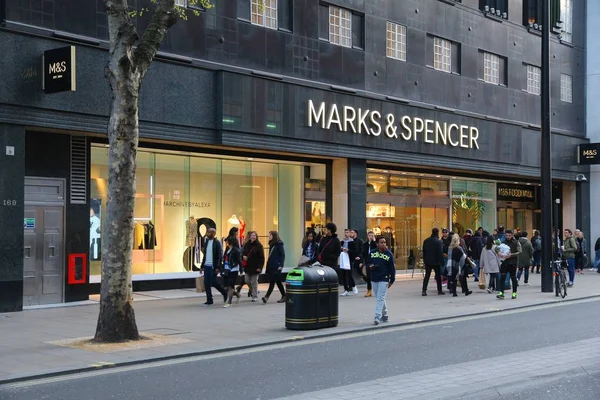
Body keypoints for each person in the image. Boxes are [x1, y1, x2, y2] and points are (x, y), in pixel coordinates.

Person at [366, 236, 395, 325]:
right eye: (381, 242)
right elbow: (367, 263)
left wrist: (392, 280)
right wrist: (370, 266)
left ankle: (377, 316)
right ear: (377, 244)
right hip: (374, 278)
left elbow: (392, 268)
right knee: (379, 298)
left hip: (384, 278)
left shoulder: (389, 254)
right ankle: (385, 315)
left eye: (385, 242)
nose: (383, 244)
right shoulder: (372, 253)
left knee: (380, 298)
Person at [200, 228, 227, 306]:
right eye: (207, 232)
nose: (207, 234)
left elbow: (220, 255)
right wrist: (202, 266)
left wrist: (218, 267)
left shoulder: (217, 243)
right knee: (206, 283)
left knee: (213, 282)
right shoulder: (207, 242)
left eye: (209, 232)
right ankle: (209, 300)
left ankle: (224, 292)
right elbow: (205, 255)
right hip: (206, 266)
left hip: (213, 266)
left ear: (213, 234)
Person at [496, 230, 521, 300]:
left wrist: (512, 255)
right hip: (504, 262)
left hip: (512, 262)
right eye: (507, 235)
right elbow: (497, 248)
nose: (508, 237)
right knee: (502, 277)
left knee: (513, 278)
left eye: (509, 235)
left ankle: (514, 292)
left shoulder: (516, 242)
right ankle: (501, 292)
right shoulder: (503, 242)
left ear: (512, 235)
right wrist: (499, 253)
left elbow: (519, 251)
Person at [262, 231, 286, 304]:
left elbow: (282, 255)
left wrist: (281, 265)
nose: (269, 236)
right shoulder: (272, 244)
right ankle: (284, 295)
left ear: (274, 236)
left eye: (270, 235)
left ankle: (266, 296)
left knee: (273, 281)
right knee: (277, 281)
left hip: (276, 266)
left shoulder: (279, 244)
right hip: (272, 265)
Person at [241, 231, 264, 302]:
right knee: (247, 280)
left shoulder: (259, 245)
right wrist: (243, 257)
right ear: (250, 237)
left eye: (254, 235)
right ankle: (255, 291)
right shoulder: (247, 244)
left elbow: (262, 257)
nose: (253, 237)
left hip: (255, 267)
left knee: (254, 281)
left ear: (256, 237)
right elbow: (243, 253)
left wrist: (260, 267)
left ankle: (254, 296)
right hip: (248, 266)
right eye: (252, 235)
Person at [421, 228, 445, 296]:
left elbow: (424, 252)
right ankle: (439, 290)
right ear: (437, 233)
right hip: (436, 262)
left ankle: (424, 290)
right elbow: (440, 253)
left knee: (427, 276)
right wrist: (442, 262)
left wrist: (424, 260)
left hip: (428, 261)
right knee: (438, 277)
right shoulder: (438, 242)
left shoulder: (426, 241)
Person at [222, 237, 241, 308]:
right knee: (227, 286)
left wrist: (234, 266)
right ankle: (237, 294)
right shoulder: (228, 249)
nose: (226, 243)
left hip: (233, 270)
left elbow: (238, 260)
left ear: (231, 242)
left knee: (230, 286)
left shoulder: (235, 250)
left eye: (227, 242)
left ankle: (229, 302)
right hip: (227, 269)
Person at [340, 229, 358, 296]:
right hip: (343, 259)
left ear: (350, 233)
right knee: (344, 275)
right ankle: (346, 289)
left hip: (349, 259)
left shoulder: (352, 242)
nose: (346, 234)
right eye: (345, 232)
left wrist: (348, 250)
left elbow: (354, 252)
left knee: (349, 274)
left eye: (347, 232)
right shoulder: (342, 242)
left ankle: (353, 285)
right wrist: (341, 249)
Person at [361, 231, 377, 297]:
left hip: (375, 262)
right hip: (368, 262)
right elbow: (363, 253)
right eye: (369, 235)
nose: (370, 236)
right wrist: (361, 262)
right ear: (367, 236)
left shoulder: (375, 244)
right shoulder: (365, 244)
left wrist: (374, 241)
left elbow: (377, 250)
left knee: (375, 276)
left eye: (372, 235)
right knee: (368, 277)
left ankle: (377, 290)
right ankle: (369, 291)